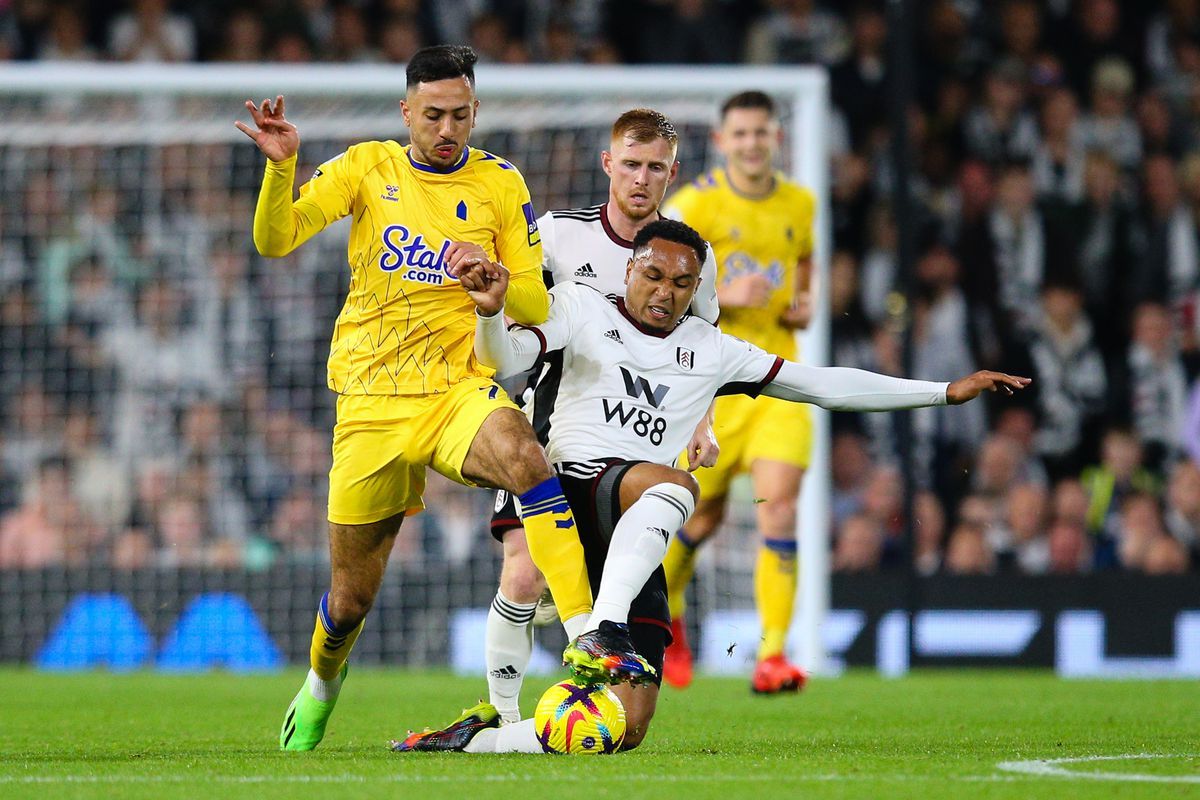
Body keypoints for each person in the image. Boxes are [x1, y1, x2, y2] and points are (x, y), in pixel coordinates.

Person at [392, 219, 1028, 753]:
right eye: (652, 275)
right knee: (672, 487)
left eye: (681, 282)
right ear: (629, 272)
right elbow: (504, 362)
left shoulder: (712, 349)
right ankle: (595, 635)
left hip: (635, 522)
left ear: (697, 289)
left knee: (627, 726)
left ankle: (481, 741)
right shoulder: (581, 308)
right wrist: (491, 314)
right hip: (575, 487)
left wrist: (944, 392)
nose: (664, 291)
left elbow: (822, 385)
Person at [235, 44, 603, 751]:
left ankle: (587, 635)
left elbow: (533, 293)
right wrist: (281, 170)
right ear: (406, 111)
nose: (446, 128)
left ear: (475, 113)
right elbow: (275, 241)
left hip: (454, 389)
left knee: (526, 457)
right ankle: (320, 685)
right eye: (432, 114)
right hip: (370, 401)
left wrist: (494, 280)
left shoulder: (500, 183)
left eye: (460, 115)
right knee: (348, 602)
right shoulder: (367, 166)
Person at [482, 107, 720, 726]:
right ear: (608, 164)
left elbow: (704, 350)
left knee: (606, 578)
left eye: (656, 168)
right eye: (632, 164)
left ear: (674, 173)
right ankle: (498, 716)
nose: (642, 179)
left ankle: (600, 660)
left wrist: (702, 423)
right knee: (525, 570)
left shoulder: (692, 255)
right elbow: (520, 323)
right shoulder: (559, 236)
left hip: (635, 443)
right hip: (550, 426)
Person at [659, 90, 818, 692]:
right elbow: (660, 297)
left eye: (762, 132)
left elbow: (804, 263)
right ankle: (669, 618)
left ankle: (773, 654)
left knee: (779, 505)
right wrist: (725, 301)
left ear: (776, 139)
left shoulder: (800, 203)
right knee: (695, 518)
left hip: (778, 377)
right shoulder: (694, 204)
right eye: (741, 134)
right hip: (711, 386)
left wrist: (805, 302)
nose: (753, 143)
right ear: (722, 142)